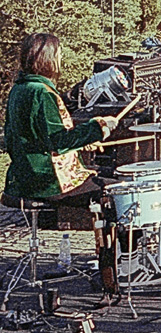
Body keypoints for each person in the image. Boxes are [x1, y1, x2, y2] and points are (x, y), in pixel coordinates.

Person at [4, 32, 121, 294]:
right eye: (58, 54)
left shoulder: (19, 89)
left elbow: (31, 138)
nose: (61, 59)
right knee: (114, 193)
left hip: (22, 177)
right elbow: (58, 140)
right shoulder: (42, 93)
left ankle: (110, 270)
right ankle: (110, 278)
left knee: (104, 180)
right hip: (46, 181)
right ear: (47, 59)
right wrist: (98, 127)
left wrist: (82, 142)